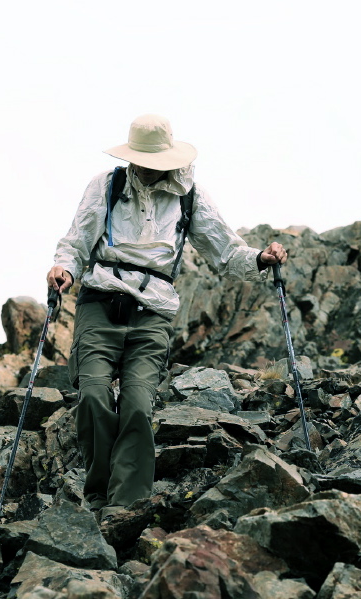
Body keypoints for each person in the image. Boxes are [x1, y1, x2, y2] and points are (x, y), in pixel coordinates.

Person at [46, 114, 287, 520]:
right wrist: (63, 269)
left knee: (138, 404)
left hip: (153, 312)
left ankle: (125, 506)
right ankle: (99, 495)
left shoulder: (189, 195)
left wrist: (261, 258)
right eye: (141, 159)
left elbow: (225, 252)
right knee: (93, 395)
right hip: (99, 302)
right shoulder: (108, 185)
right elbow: (77, 239)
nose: (147, 166)